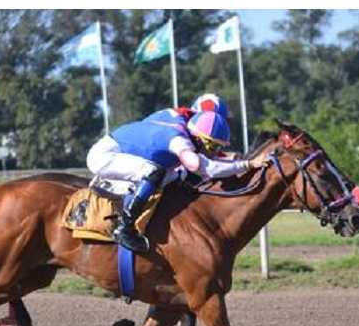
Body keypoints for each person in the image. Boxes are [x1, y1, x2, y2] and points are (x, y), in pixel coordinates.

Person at [86, 106, 263, 253]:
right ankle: (125, 228)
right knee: (154, 172)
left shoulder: (183, 124)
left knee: (177, 175)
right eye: (213, 146)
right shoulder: (179, 141)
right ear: (199, 138)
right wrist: (247, 164)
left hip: (124, 151)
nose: (215, 152)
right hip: (105, 155)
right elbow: (206, 168)